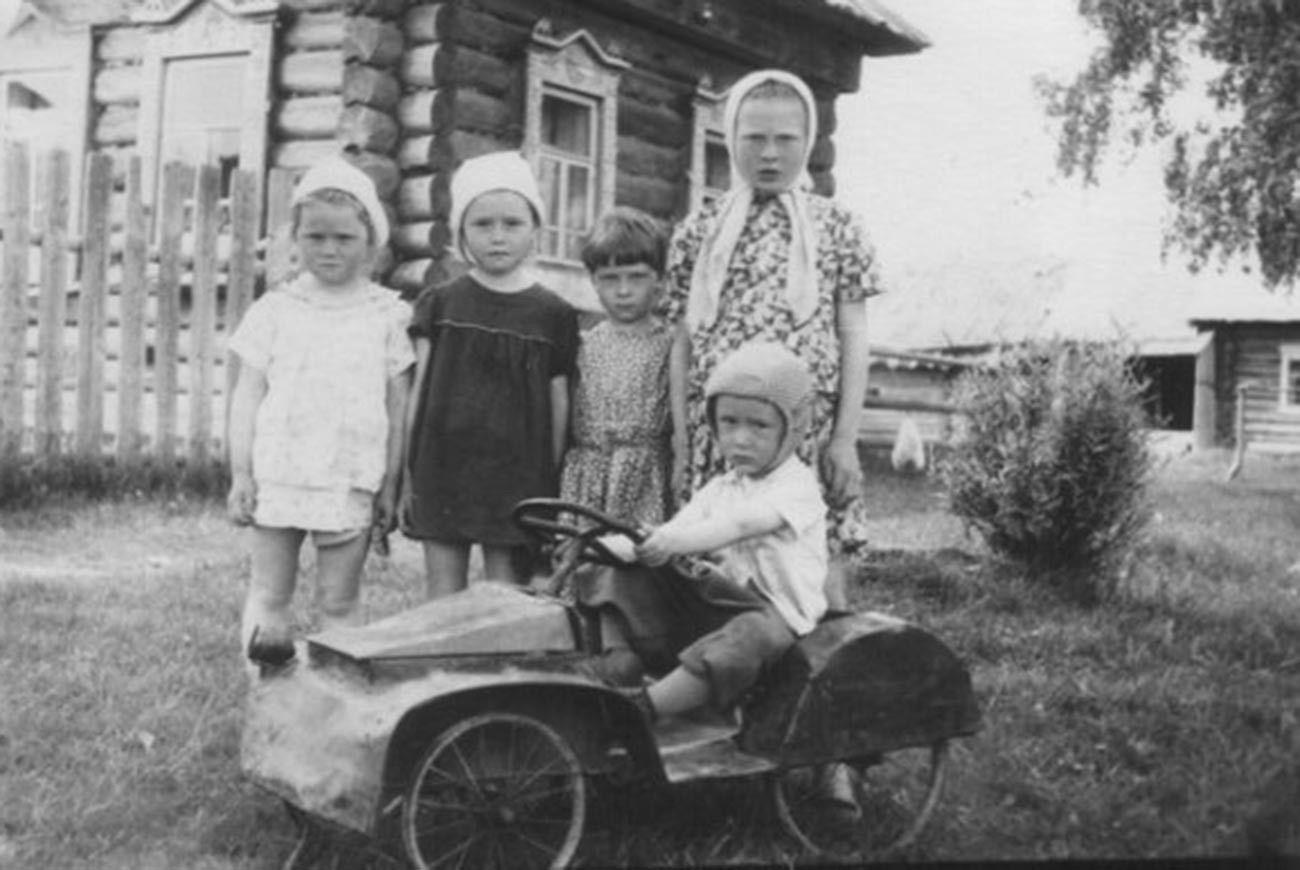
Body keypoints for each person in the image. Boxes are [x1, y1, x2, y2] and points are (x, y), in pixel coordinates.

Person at [663, 68, 883, 606]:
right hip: (723, 425)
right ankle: (728, 668)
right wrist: (682, 438)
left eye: (785, 139)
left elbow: (853, 332)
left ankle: (827, 663)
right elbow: (684, 339)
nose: (769, 153)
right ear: (730, 136)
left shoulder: (838, 227)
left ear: (806, 141)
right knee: (719, 556)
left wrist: (845, 438)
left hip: (805, 426)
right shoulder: (700, 230)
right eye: (753, 137)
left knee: (810, 545)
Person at [227, 156, 414, 666]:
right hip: (280, 474)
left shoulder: (387, 315)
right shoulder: (275, 310)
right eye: (315, 237)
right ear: (296, 238)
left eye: (344, 238)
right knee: (270, 593)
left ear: (370, 240)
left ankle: (333, 701)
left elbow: (399, 408)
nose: (329, 249)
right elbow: (247, 395)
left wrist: (391, 485)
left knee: (339, 601)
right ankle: (265, 693)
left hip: (348, 475)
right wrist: (242, 472)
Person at [605, 342, 829, 721]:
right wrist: (620, 544)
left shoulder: (797, 487)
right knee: (610, 573)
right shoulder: (723, 486)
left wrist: (671, 543)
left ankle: (643, 711)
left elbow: (737, 526)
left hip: (777, 615)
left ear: (792, 430)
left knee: (746, 640)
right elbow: (678, 527)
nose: (740, 438)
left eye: (759, 425)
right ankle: (617, 660)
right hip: (721, 601)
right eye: (729, 423)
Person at [403, 151, 579, 597]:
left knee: (504, 600)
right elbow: (418, 392)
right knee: (443, 601)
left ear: (535, 229)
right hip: (444, 468)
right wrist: (409, 471)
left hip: (518, 477)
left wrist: (550, 478)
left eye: (512, 224)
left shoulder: (552, 313)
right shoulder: (440, 304)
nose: (497, 237)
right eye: (482, 225)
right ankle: (441, 667)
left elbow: (559, 402)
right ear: (460, 231)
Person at [560, 206, 686, 527]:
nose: (624, 290)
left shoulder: (671, 343)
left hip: (646, 474)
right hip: (588, 475)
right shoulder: (582, 342)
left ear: (659, 279)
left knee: (638, 563)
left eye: (637, 277)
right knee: (587, 563)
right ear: (593, 281)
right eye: (610, 279)